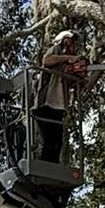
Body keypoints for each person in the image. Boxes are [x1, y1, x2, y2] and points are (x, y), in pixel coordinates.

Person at [35, 30, 89, 162]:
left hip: (58, 107)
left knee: (57, 142)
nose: (72, 46)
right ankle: (45, 167)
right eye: (71, 41)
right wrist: (67, 58)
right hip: (45, 104)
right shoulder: (55, 50)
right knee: (49, 139)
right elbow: (47, 61)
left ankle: (52, 168)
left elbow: (80, 85)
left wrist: (83, 74)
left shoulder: (66, 68)